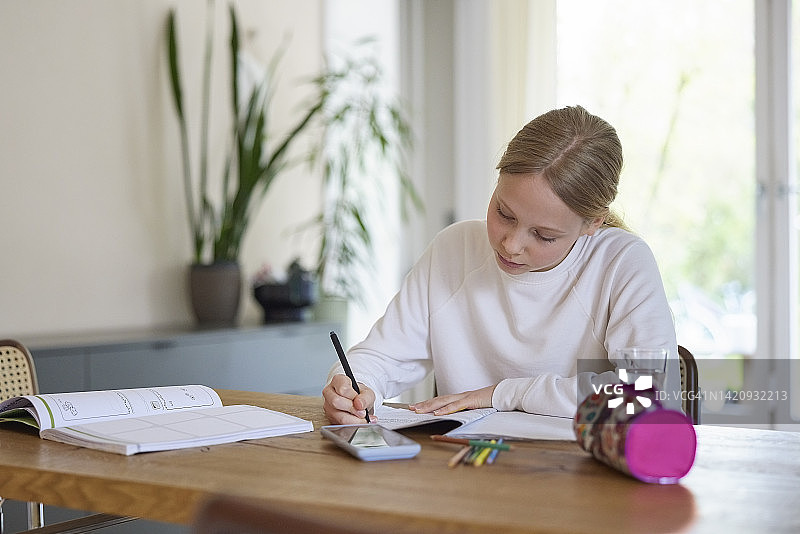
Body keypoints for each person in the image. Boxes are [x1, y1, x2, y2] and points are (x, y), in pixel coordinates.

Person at [322, 105, 680, 425]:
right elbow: (383, 356)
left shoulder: (621, 262)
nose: (511, 244)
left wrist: (506, 393)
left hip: (577, 470)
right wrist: (353, 386)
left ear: (593, 223)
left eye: (543, 235)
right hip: (463, 464)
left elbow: (648, 394)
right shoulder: (454, 249)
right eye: (504, 213)